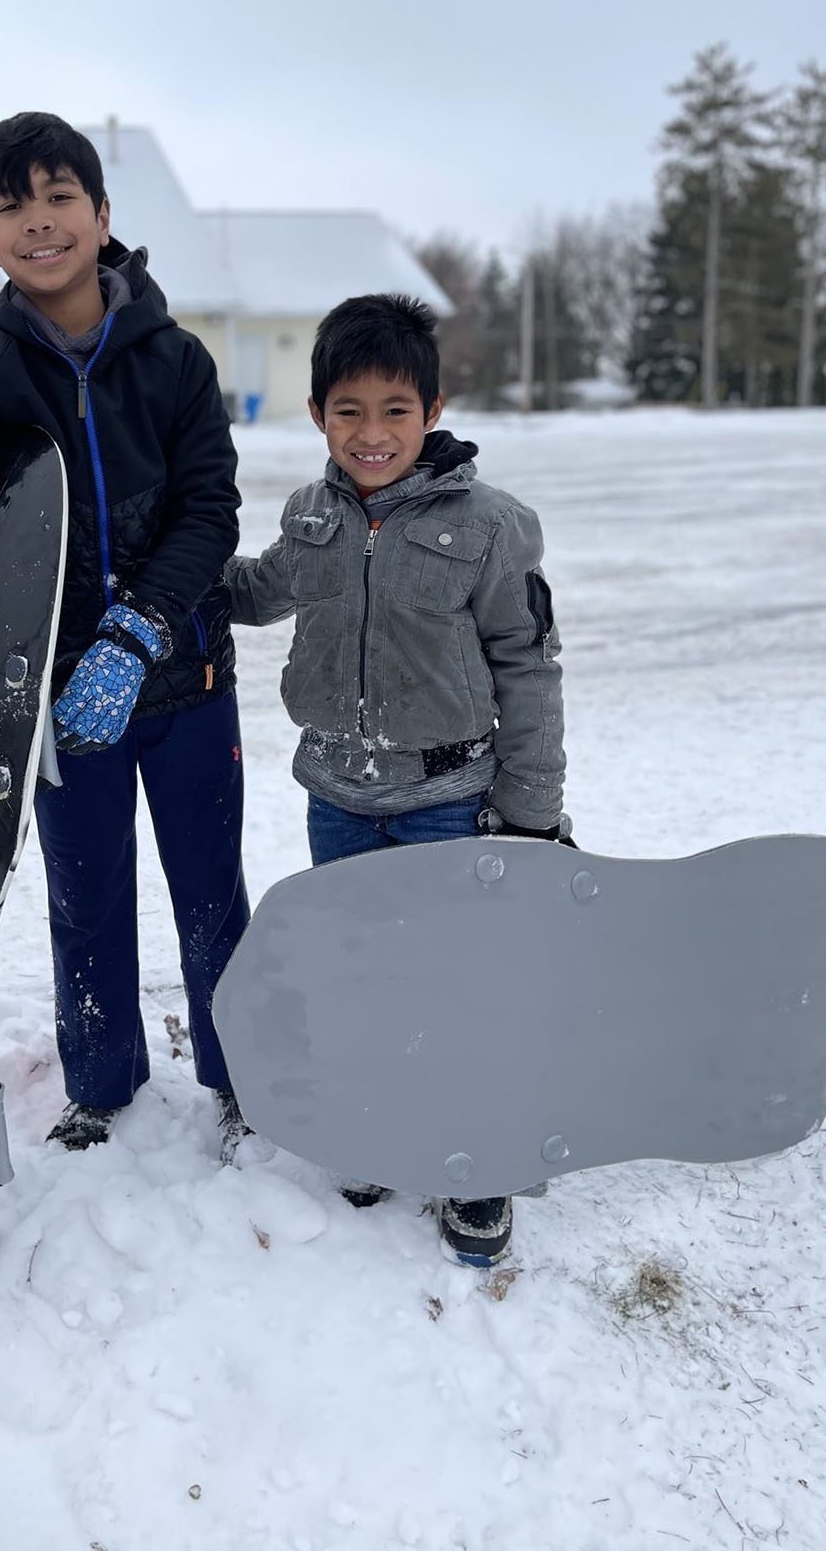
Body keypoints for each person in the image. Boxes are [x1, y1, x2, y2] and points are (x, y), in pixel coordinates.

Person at [0, 112, 251, 1161]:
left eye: (58, 196)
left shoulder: (174, 361)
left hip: (188, 680)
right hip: (56, 702)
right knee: (84, 896)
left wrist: (138, 634)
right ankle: (102, 1078)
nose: (38, 223)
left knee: (210, 890)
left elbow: (210, 509)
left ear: (103, 215)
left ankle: (240, 1070)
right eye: (9, 205)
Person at [224, 293, 568, 1264]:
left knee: (459, 989)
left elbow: (528, 666)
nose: (369, 434)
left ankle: (477, 1164)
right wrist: (174, 564)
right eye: (347, 411)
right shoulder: (310, 516)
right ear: (315, 413)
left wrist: (530, 812)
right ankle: (376, 1126)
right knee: (356, 977)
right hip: (335, 797)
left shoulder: (491, 526)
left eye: (392, 411)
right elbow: (255, 590)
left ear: (432, 408)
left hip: (445, 802)